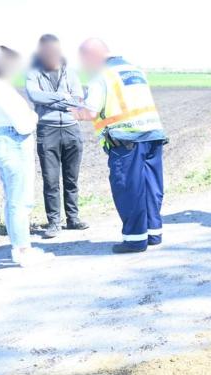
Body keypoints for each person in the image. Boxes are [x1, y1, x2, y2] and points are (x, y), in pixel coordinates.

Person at [70, 38, 166, 254]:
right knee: (151, 187)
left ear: (91, 56)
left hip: (126, 140)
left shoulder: (100, 77)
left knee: (128, 189)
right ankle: (153, 233)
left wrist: (76, 113)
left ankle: (134, 240)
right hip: (152, 136)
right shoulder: (135, 71)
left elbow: (91, 112)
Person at [0, 46, 55, 267]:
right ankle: (23, 251)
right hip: (13, 142)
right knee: (20, 201)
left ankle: (20, 247)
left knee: (13, 200)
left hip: (1, 141)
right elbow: (24, 123)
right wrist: (33, 116)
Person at [25, 34, 88, 239]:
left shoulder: (71, 73)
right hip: (47, 130)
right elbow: (35, 96)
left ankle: (73, 218)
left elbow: (78, 100)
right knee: (50, 180)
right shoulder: (34, 74)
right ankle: (54, 222)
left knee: (72, 179)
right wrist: (63, 98)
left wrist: (50, 101)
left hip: (72, 129)